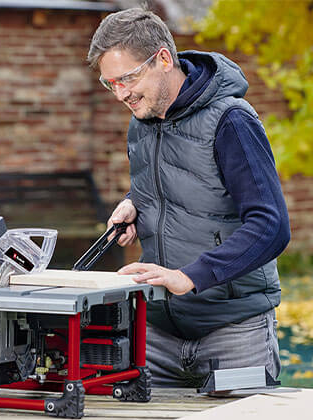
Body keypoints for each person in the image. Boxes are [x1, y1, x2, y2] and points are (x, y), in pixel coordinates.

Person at [86, 8, 291, 388]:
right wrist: (136, 201)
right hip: (158, 335)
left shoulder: (232, 120)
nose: (120, 94)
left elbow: (271, 226)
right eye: (109, 83)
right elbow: (184, 180)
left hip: (233, 333)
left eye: (128, 78)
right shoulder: (142, 122)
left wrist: (189, 277)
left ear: (163, 58)